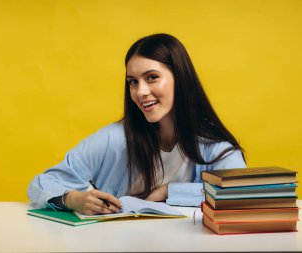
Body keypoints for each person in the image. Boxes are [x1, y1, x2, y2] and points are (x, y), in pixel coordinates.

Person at [27, 33, 246, 215]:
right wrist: (73, 198)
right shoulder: (114, 139)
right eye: (133, 82)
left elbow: (240, 194)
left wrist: (171, 191)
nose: (140, 92)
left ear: (180, 78)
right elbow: (42, 183)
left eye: (151, 77)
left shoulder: (213, 146)